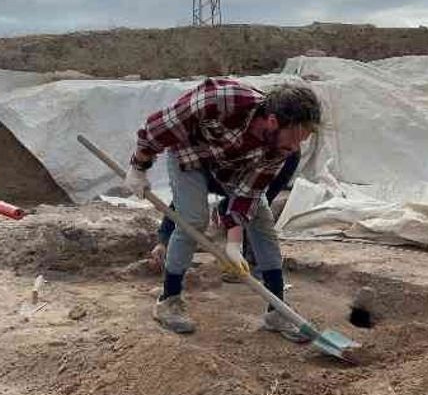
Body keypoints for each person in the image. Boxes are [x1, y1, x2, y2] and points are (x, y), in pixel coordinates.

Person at [124, 77, 321, 341]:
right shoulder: (220, 99)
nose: (295, 148)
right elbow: (156, 129)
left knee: (262, 222)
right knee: (192, 219)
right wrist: (138, 167)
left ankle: (277, 311)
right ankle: (168, 300)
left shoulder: (280, 146)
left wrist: (234, 243)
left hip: (234, 171)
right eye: (295, 138)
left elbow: (247, 193)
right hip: (191, 158)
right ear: (273, 121)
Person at [148, 151, 301, 282]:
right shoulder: (201, 165)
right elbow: (182, 202)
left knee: (256, 210)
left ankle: (255, 264)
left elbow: (255, 199)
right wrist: (163, 241)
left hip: (255, 173)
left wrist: (233, 233)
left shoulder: (288, 153)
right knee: (195, 215)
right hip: (221, 171)